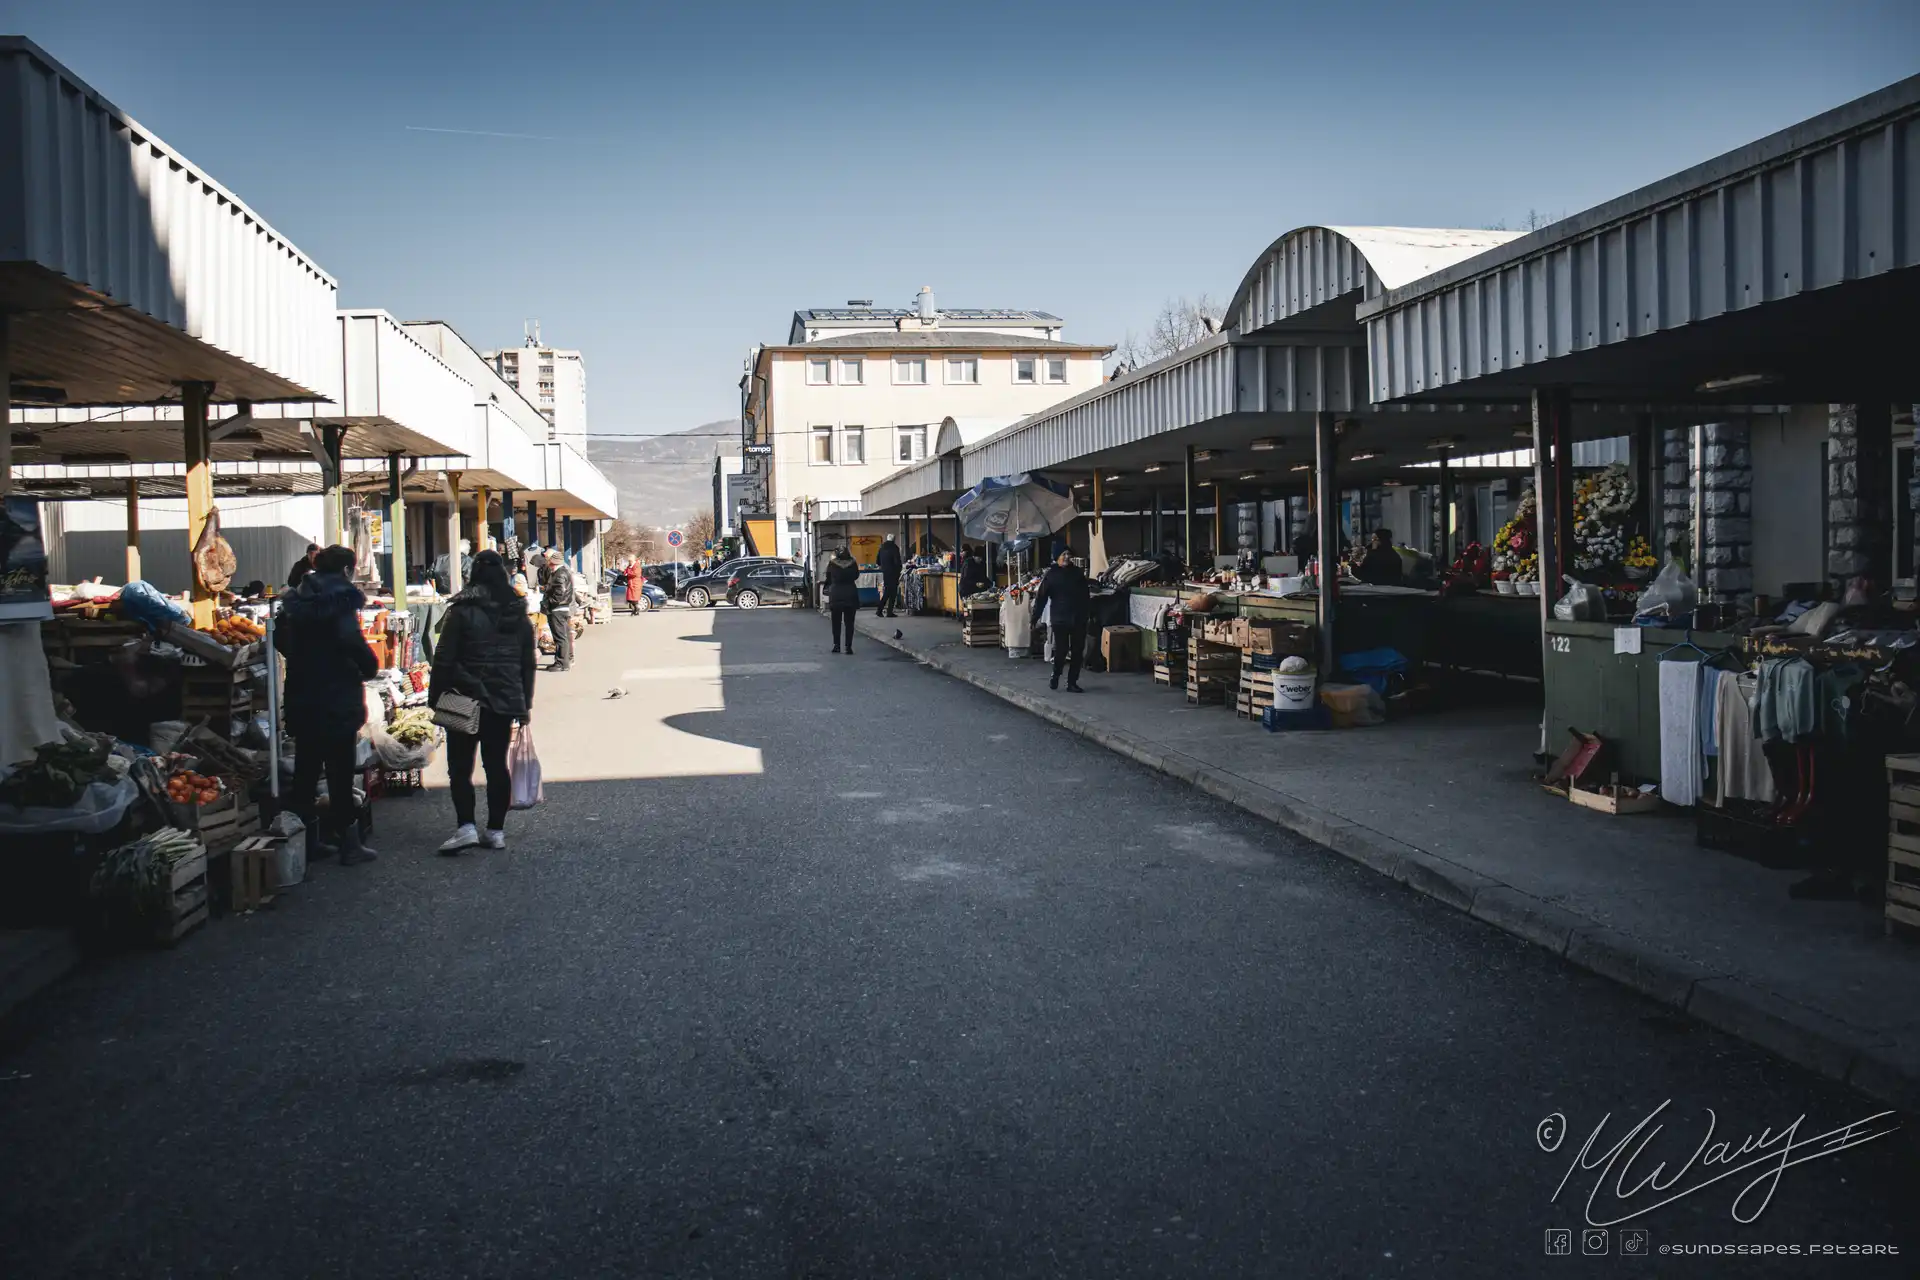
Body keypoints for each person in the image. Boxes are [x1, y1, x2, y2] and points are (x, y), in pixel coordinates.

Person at [275, 544, 379, 866]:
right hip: (335, 697)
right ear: (347, 571)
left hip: (303, 695)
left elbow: (280, 639)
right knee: (339, 772)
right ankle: (349, 845)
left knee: (306, 770)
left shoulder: (297, 601)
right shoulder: (340, 602)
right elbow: (351, 641)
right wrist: (368, 666)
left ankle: (307, 844)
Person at [429, 550, 535, 854]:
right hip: (502, 700)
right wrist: (524, 704)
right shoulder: (517, 612)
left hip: (464, 696)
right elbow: (526, 662)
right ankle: (496, 831)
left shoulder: (462, 610)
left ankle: (466, 827)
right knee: (496, 765)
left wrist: (436, 696)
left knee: (460, 767)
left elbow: (444, 657)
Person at [1031, 549, 1091, 692]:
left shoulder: (1077, 573)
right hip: (1060, 618)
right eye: (1063, 554)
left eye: (1068, 554)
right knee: (1061, 650)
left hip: (1078, 617)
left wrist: (1088, 613)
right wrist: (1035, 616)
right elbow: (1042, 597)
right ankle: (1056, 674)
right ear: (1057, 557)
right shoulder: (1051, 575)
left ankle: (1072, 682)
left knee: (1077, 651)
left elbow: (1085, 595)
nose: (1066, 557)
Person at [542, 550, 576, 671]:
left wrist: (548, 602)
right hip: (562, 608)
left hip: (558, 609)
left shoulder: (559, 574)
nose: (549, 566)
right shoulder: (563, 572)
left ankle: (561, 663)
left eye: (550, 563)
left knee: (560, 637)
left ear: (553, 563)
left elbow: (559, 593)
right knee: (563, 635)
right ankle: (563, 661)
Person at [823, 546, 861, 654]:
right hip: (850, 593)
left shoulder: (832, 563)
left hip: (836, 594)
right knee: (849, 623)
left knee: (836, 622)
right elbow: (856, 575)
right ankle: (848, 647)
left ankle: (837, 645)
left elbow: (828, 577)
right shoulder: (853, 563)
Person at [876, 533, 904, 618]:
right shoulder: (894, 548)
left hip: (886, 572)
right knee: (892, 593)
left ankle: (881, 610)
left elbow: (877, 561)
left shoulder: (881, 548)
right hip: (893, 573)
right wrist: (899, 570)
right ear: (894, 539)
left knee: (888, 591)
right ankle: (887, 611)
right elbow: (897, 562)